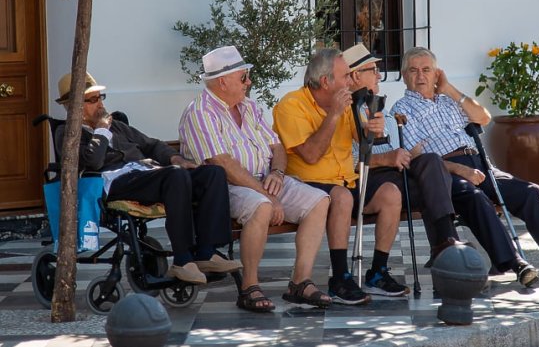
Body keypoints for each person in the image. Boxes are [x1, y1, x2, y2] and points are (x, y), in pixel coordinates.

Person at [390, 47, 539, 285]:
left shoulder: (448, 101)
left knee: (530, 192)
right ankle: (515, 262)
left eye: (426, 70)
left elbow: (483, 117)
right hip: (446, 172)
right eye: (413, 70)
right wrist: (462, 170)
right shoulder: (402, 110)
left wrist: (450, 90)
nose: (420, 76)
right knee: (476, 198)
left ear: (437, 74)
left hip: (482, 165)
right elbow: (417, 158)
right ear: (404, 75)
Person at [179, 46, 332, 313]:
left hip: (265, 181)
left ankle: (299, 281)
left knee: (319, 201)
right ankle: (249, 286)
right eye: (244, 77)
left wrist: (278, 173)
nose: (249, 82)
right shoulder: (200, 112)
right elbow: (223, 164)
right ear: (222, 81)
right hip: (225, 187)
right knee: (260, 207)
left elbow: (277, 147)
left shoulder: (250, 106)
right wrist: (268, 196)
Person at [54, 72, 241, 286]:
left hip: (146, 174)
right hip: (116, 182)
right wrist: (101, 131)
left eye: (101, 97)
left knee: (212, 173)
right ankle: (182, 259)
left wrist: (176, 158)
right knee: (174, 176)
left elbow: (151, 144)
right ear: (74, 106)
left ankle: (206, 252)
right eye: (93, 99)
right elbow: (93, 161)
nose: (100, 104)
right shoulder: (66, 133)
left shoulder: (116, 125)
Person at [272, 48, 408, 305]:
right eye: (345, 76)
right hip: (309, 184)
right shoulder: (290, 106)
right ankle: (340, 276)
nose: (349, 81)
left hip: (346, 179)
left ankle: (378, 271)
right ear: (326, 82)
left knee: (390, 192)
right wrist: (333, 114)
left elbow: (364, 138)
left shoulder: (346, 103)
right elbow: (311, 154)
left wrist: (374, 129)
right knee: (342, 197)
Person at [343, 44, 476, 269]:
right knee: (433, 183)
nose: (379, 76)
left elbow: (401, 152)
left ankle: (445, 245)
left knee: (431, 162)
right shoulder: (345, 110)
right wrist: (386, 159)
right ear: (355, 75)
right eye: (373, 70)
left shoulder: (381, 109)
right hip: (368, 183)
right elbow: (345, 161)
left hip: (397, 175)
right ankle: (446, 247)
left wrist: (409, 155)